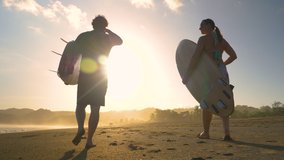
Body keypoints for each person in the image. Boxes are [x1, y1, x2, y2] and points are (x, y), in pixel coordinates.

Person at [72, 15, 123, 149]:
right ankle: (89, 141)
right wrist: (109, 32)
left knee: (80, 104)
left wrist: (69, 73)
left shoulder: (83, 36)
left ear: (93, 25)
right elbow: (120, 41)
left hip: (85, 74)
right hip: (101, 75)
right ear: (105, 26)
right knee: (95, 108)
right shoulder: (108, 38)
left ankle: (80, 128)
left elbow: (73, 52)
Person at [182, 19, 237, 141]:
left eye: (201, 26)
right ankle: (227, 134)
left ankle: (206, 132)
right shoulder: (222, 41)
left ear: (208, 26)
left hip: (209, 74)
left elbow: (195, 58)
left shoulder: (203, 39)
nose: (199, 29)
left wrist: (187, 75)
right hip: (222, 73)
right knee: (224, 98)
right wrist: (223, 64)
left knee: (206, 101)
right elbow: (234, 56)